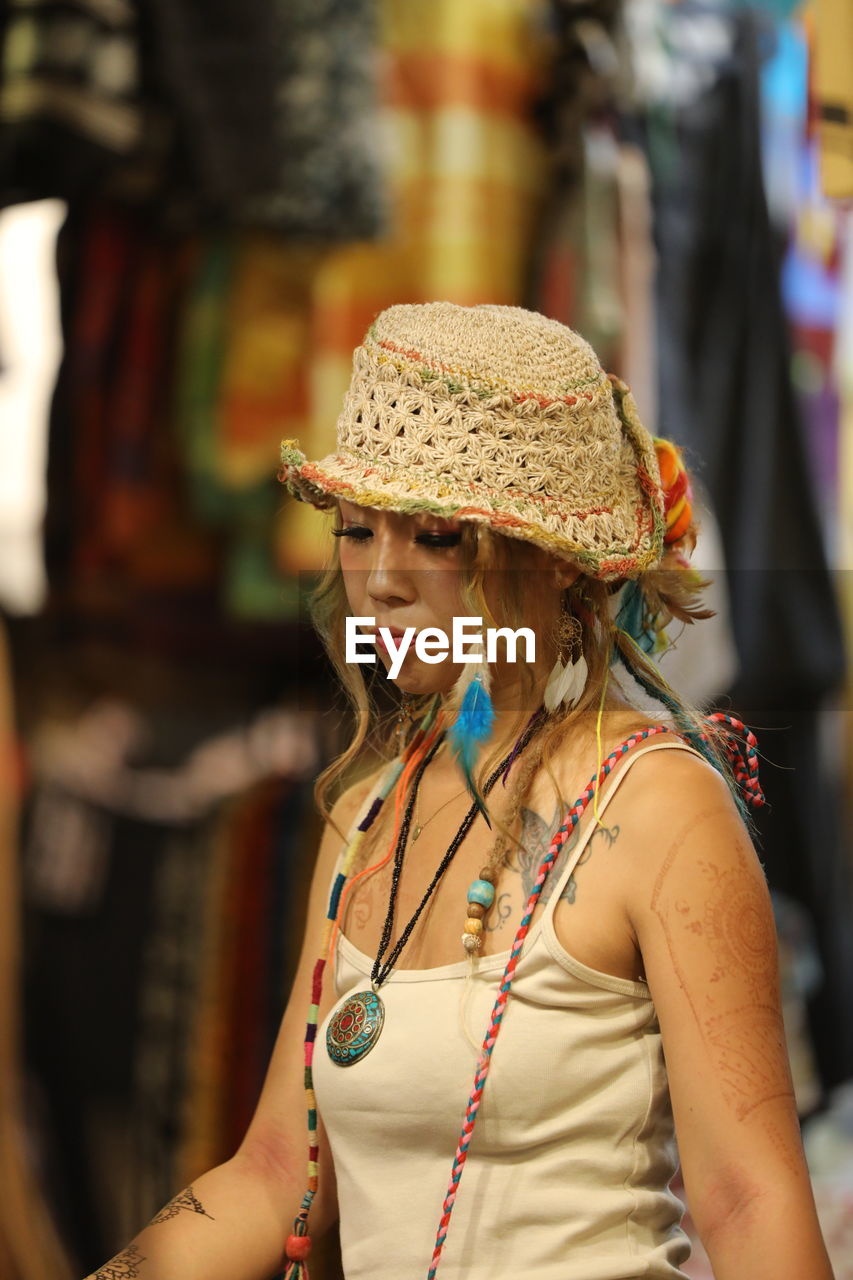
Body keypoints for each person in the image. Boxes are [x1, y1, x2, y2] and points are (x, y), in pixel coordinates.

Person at [84, 303, 833, 1280]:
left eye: (435, 536)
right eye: (356, 530)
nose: (381, 579)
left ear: (555, 562)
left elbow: (747, 1198)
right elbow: (276, 1167)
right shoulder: (363, 818)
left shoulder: (655, 807)